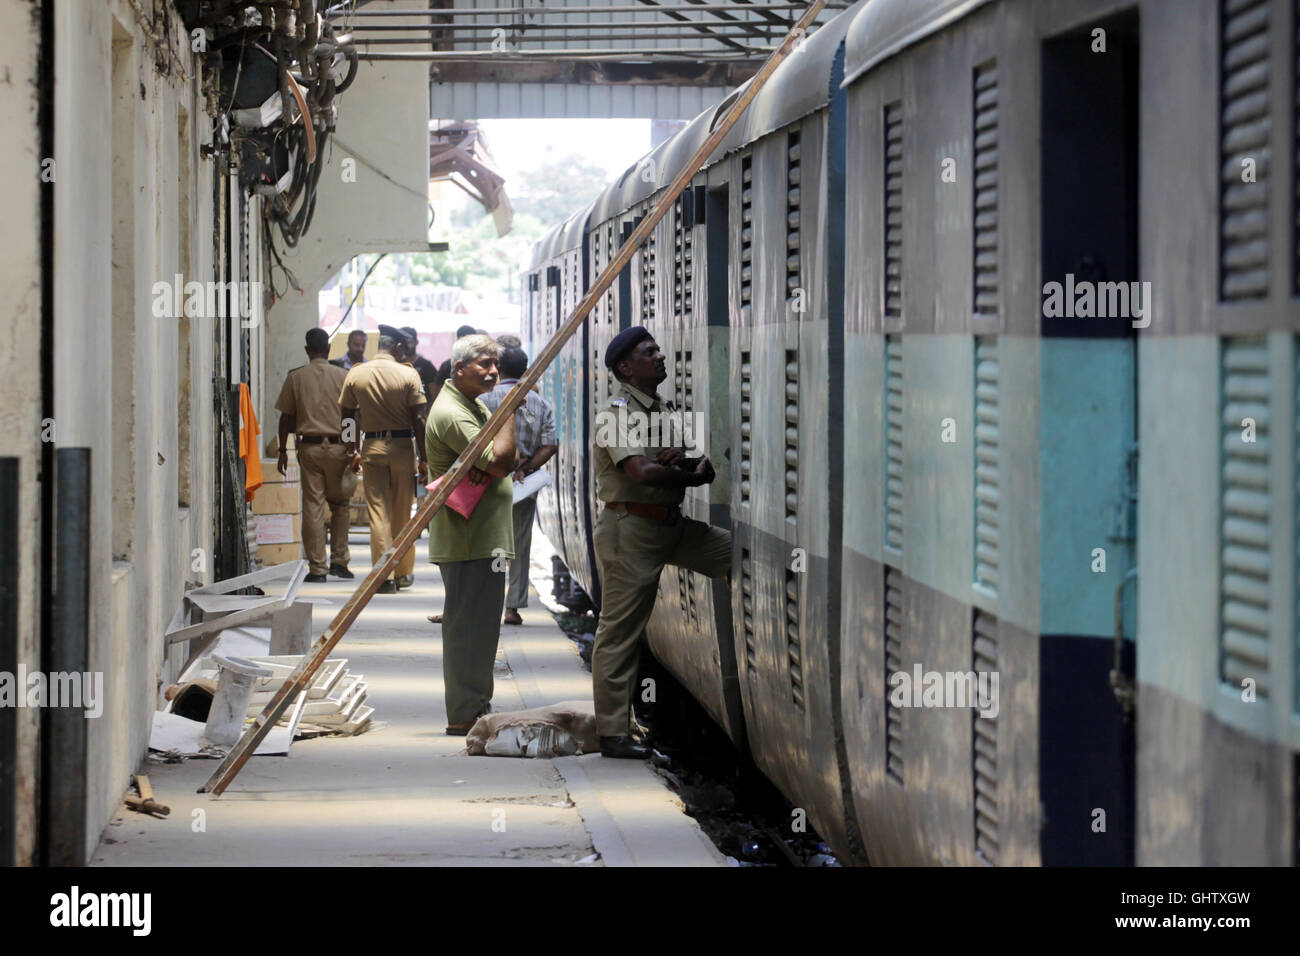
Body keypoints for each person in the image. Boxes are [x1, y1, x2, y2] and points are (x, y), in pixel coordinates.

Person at [589, 326, 730, 758]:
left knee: (738, 557)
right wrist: (691, 473)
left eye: (658, 350)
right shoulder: (614, 414)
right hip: (630, 531)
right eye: (650, 352)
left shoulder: (661, 408)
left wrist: (692, 467)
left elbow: (684, 461)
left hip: (670, 526)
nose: (661, 355)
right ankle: (613, 734)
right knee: (620, 632)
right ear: (626, 367)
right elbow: (642, 472)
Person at [424, 334, 517, 735]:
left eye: (495, 363)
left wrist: (495, 457)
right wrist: (510, 413)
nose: (493, 370)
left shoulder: (471, 405)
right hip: (469, 539)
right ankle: (464, 713)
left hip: (481, 536)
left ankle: (476, 707)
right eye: (484, 363)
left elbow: (501, 461)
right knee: (468, 629)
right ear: (459, 368)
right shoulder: (454, 413)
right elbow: (502, 460)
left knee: (480, 628)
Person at [339, 324, 428, 593]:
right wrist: (424, 457)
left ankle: (383, 577)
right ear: (398, 348)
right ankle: (402, 573)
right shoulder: (408, 375)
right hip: (402, 448)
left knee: (378, 513)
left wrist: (351, 450)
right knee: (402, 511)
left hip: (372, 447)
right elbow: (419, 418)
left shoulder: (357, 373)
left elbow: (346, 416)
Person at [479, 347, 557, 626]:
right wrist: (526, 468)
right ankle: (512, 608)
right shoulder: (539, 403)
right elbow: (550, 445)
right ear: (526, 370)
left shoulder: (484, 398)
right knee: (520, 544)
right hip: (523, 485)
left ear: (499, 367)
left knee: (493, 545)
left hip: (489, 482)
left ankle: (491, 601)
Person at [273, 328, 355, 582]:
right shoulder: (344, 376)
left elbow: (286, 417)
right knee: (341, 504)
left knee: (313, 506)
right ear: (328, 349)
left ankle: (318, 569)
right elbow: (352, 415)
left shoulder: (295, 377)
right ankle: (340, 562)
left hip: (309, 448)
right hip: (341, 447)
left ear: (307, 350)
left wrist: (282, 451)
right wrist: (354, 450)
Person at [402, 325, 440, 407]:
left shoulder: (426, 365)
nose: (406, 345)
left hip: (422, 410)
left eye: (409, 341)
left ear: (416, 342)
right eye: (403, 342)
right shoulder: (396, 364)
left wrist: (429, 411)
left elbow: (434, 391)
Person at [435, 324, 477, 392]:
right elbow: (438, 390)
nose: (466, 345)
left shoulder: (481, 364)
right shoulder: (447, 365)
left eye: (468, 342)